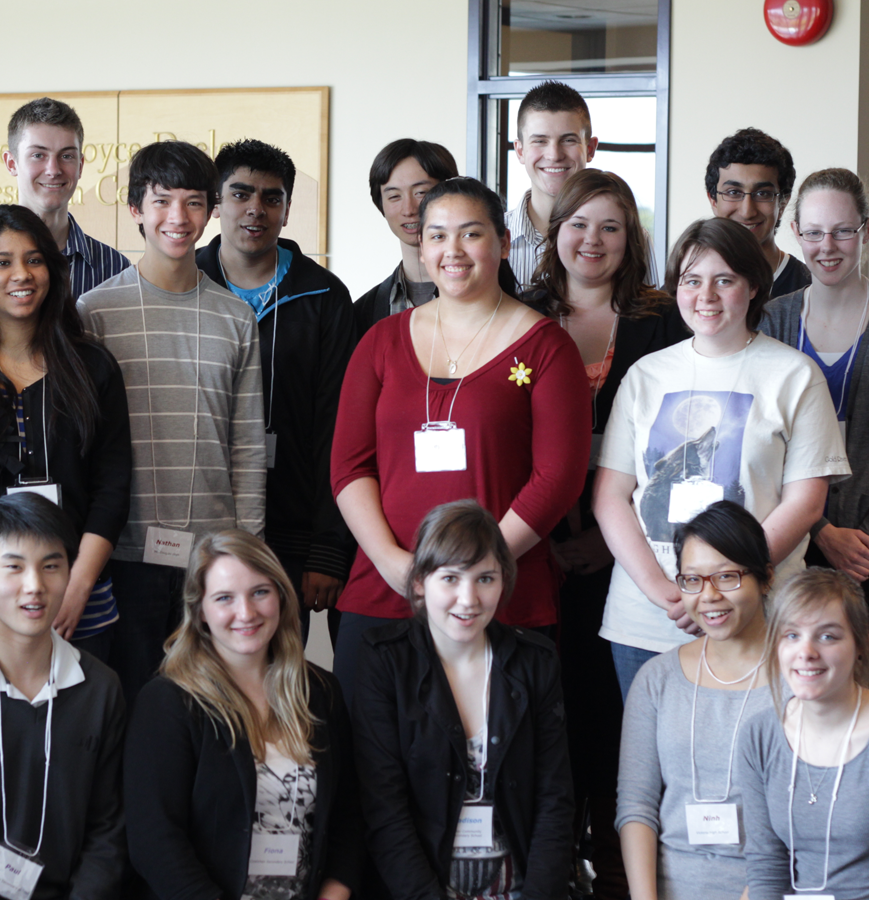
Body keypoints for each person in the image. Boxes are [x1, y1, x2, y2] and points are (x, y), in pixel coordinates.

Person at [330, 176, 590, 704]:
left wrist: (474, 572)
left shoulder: (546, 347)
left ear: (503, 243)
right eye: (437, 236)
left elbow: (557, 479)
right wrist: (397, 565)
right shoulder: (380, 340)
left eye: (471, 234)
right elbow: (350, 466)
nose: (453, 250)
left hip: (498, 594)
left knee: (495, 747)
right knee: (370, 748)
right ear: (422, 247)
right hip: (390, 587)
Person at [593, 217, 849, 700]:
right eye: (691, 280)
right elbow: (610, 497)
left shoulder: (795, 375)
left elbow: (805, 503)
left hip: (760, 618)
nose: (705, 295)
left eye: (724, 280)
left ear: (753, 287)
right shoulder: (646, 375)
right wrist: (665, 591)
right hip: (648, 620)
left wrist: (725, 587)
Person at [528, 168, 689, 900]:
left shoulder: (666, 321)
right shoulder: (522, 314)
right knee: (549, 700)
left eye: (611, 227)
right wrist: (540, 532)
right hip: (533, 547)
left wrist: (607, 537)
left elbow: (683, 448)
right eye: (579, 224)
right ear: (554, 231)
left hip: (635, 551)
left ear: (632, 240)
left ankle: (622, 863)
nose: (592, 241)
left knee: (619, 711)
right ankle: (553, 858)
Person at [77, 140, 266, 704]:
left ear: (211, 211)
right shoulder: (94, 312)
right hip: (123, 554)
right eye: (162, 201)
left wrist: (246, 549)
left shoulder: (236, 317)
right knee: (132, 708)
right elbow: (87, 445)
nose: (178, 218)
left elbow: (247, 446)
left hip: (212, 557)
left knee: (215, 708)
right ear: (135, 209)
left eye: (193, 202)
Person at [351, 499, 573, 900]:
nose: (469, 599)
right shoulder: (384, 661)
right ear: (420, 582)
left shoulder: (535, 661)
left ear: (504, 581)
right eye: (451, 578)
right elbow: (383, 808)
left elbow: (554, 800)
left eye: (485, 578)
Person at [124, 529, 362, 900]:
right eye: (225, 598)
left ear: (281, 596)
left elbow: (348, 816)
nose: (246, 613)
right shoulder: (167, 702)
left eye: (260, 592)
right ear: (199, 611)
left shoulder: (320, 692)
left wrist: (335, 892)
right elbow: (154, 842)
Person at [196, 139, 356, 638]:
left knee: (277, 666)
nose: (255, 209)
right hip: (198, 523)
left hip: (292, 529)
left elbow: (337, 428)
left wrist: (327, 546)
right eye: (240, 194)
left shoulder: (324, 295)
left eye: (272, 197)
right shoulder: (186, 284)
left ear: (286, 211)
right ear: (216, 203)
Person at [0, 204, 131, 662]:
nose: (21, 274)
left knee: (85, 703)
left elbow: (112, 488)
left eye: (34, 259)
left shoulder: (92, 366)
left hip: (79, 598)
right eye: (2, 262)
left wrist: (78, 585)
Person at [0, 492, 125, 899]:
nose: (35, 586)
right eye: (14, 567)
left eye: (51, 566)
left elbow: (108, 828)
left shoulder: (101, 688)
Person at [618, 500, 775, 900]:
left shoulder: (800, 681)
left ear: (766, 578)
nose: (709, 596)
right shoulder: (657, 679)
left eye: (726, 576)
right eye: (692, 580)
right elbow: (636, 806)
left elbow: (807, 821)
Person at [759, 168, 869, 595]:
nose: (827, 246)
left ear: (864, 230)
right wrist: (821, 530)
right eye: (814, 232)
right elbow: (760, 443)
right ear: (795, 233)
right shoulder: (772, 321)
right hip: (789, 541)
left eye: (843, 231)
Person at [739, 567, 869, 899]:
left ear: (859, 644)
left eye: (828, 636)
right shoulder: (759, 735)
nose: (806, 652)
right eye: (792, 635)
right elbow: (767, 866)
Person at [508, 81, 659, 291]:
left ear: (590, 148)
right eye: (540, 141)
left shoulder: (630, 238)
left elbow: (648, 308)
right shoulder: (492, 237)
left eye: (568, 140)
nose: (554, 155)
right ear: (520, 151)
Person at [3, 96, 129, 298]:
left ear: (80, 166)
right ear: (11, 163)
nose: (53, 170)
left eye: (66, 156)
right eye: (38, 155)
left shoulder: (115, 268)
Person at [354, 138, 459, 338]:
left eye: (421, 192)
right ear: (381, 205)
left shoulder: (486, 295)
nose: (409, 209)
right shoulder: (361, 313)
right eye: (394, 196)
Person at [706, 128, 810, 300]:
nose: (747, 212)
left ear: (783, 202)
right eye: (733, 192)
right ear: (713, 200)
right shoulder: (680, 295)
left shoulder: (812, 290)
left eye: (762, 194)